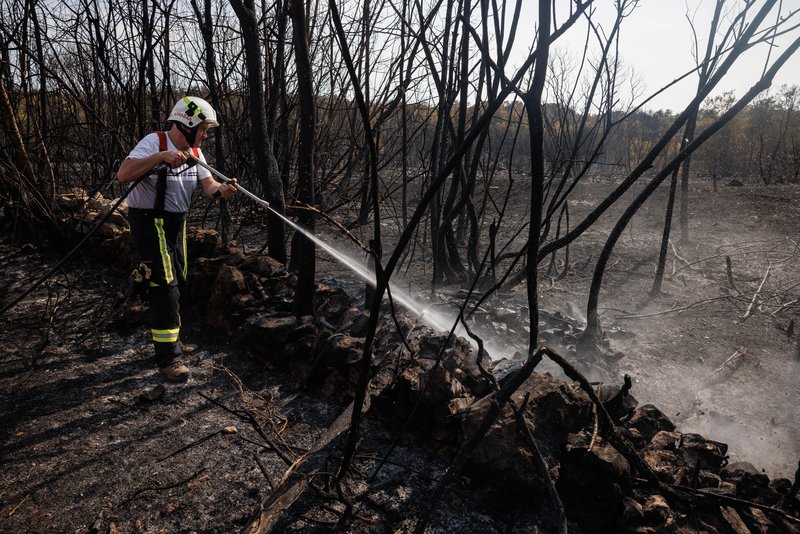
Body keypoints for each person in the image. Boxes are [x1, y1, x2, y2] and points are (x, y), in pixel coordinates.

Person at [116, 96, 237, 381]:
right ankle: (169, 358)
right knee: (164, 285)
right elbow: (124, 174)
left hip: (176, 223)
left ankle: (174, 341)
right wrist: (160, 157)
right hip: (148, 221)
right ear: (187, 123)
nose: (206, 135)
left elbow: (210, 187)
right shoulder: (153, 142)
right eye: (204, 128)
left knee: (179, 280)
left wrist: (224, 190)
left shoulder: (195, 152)